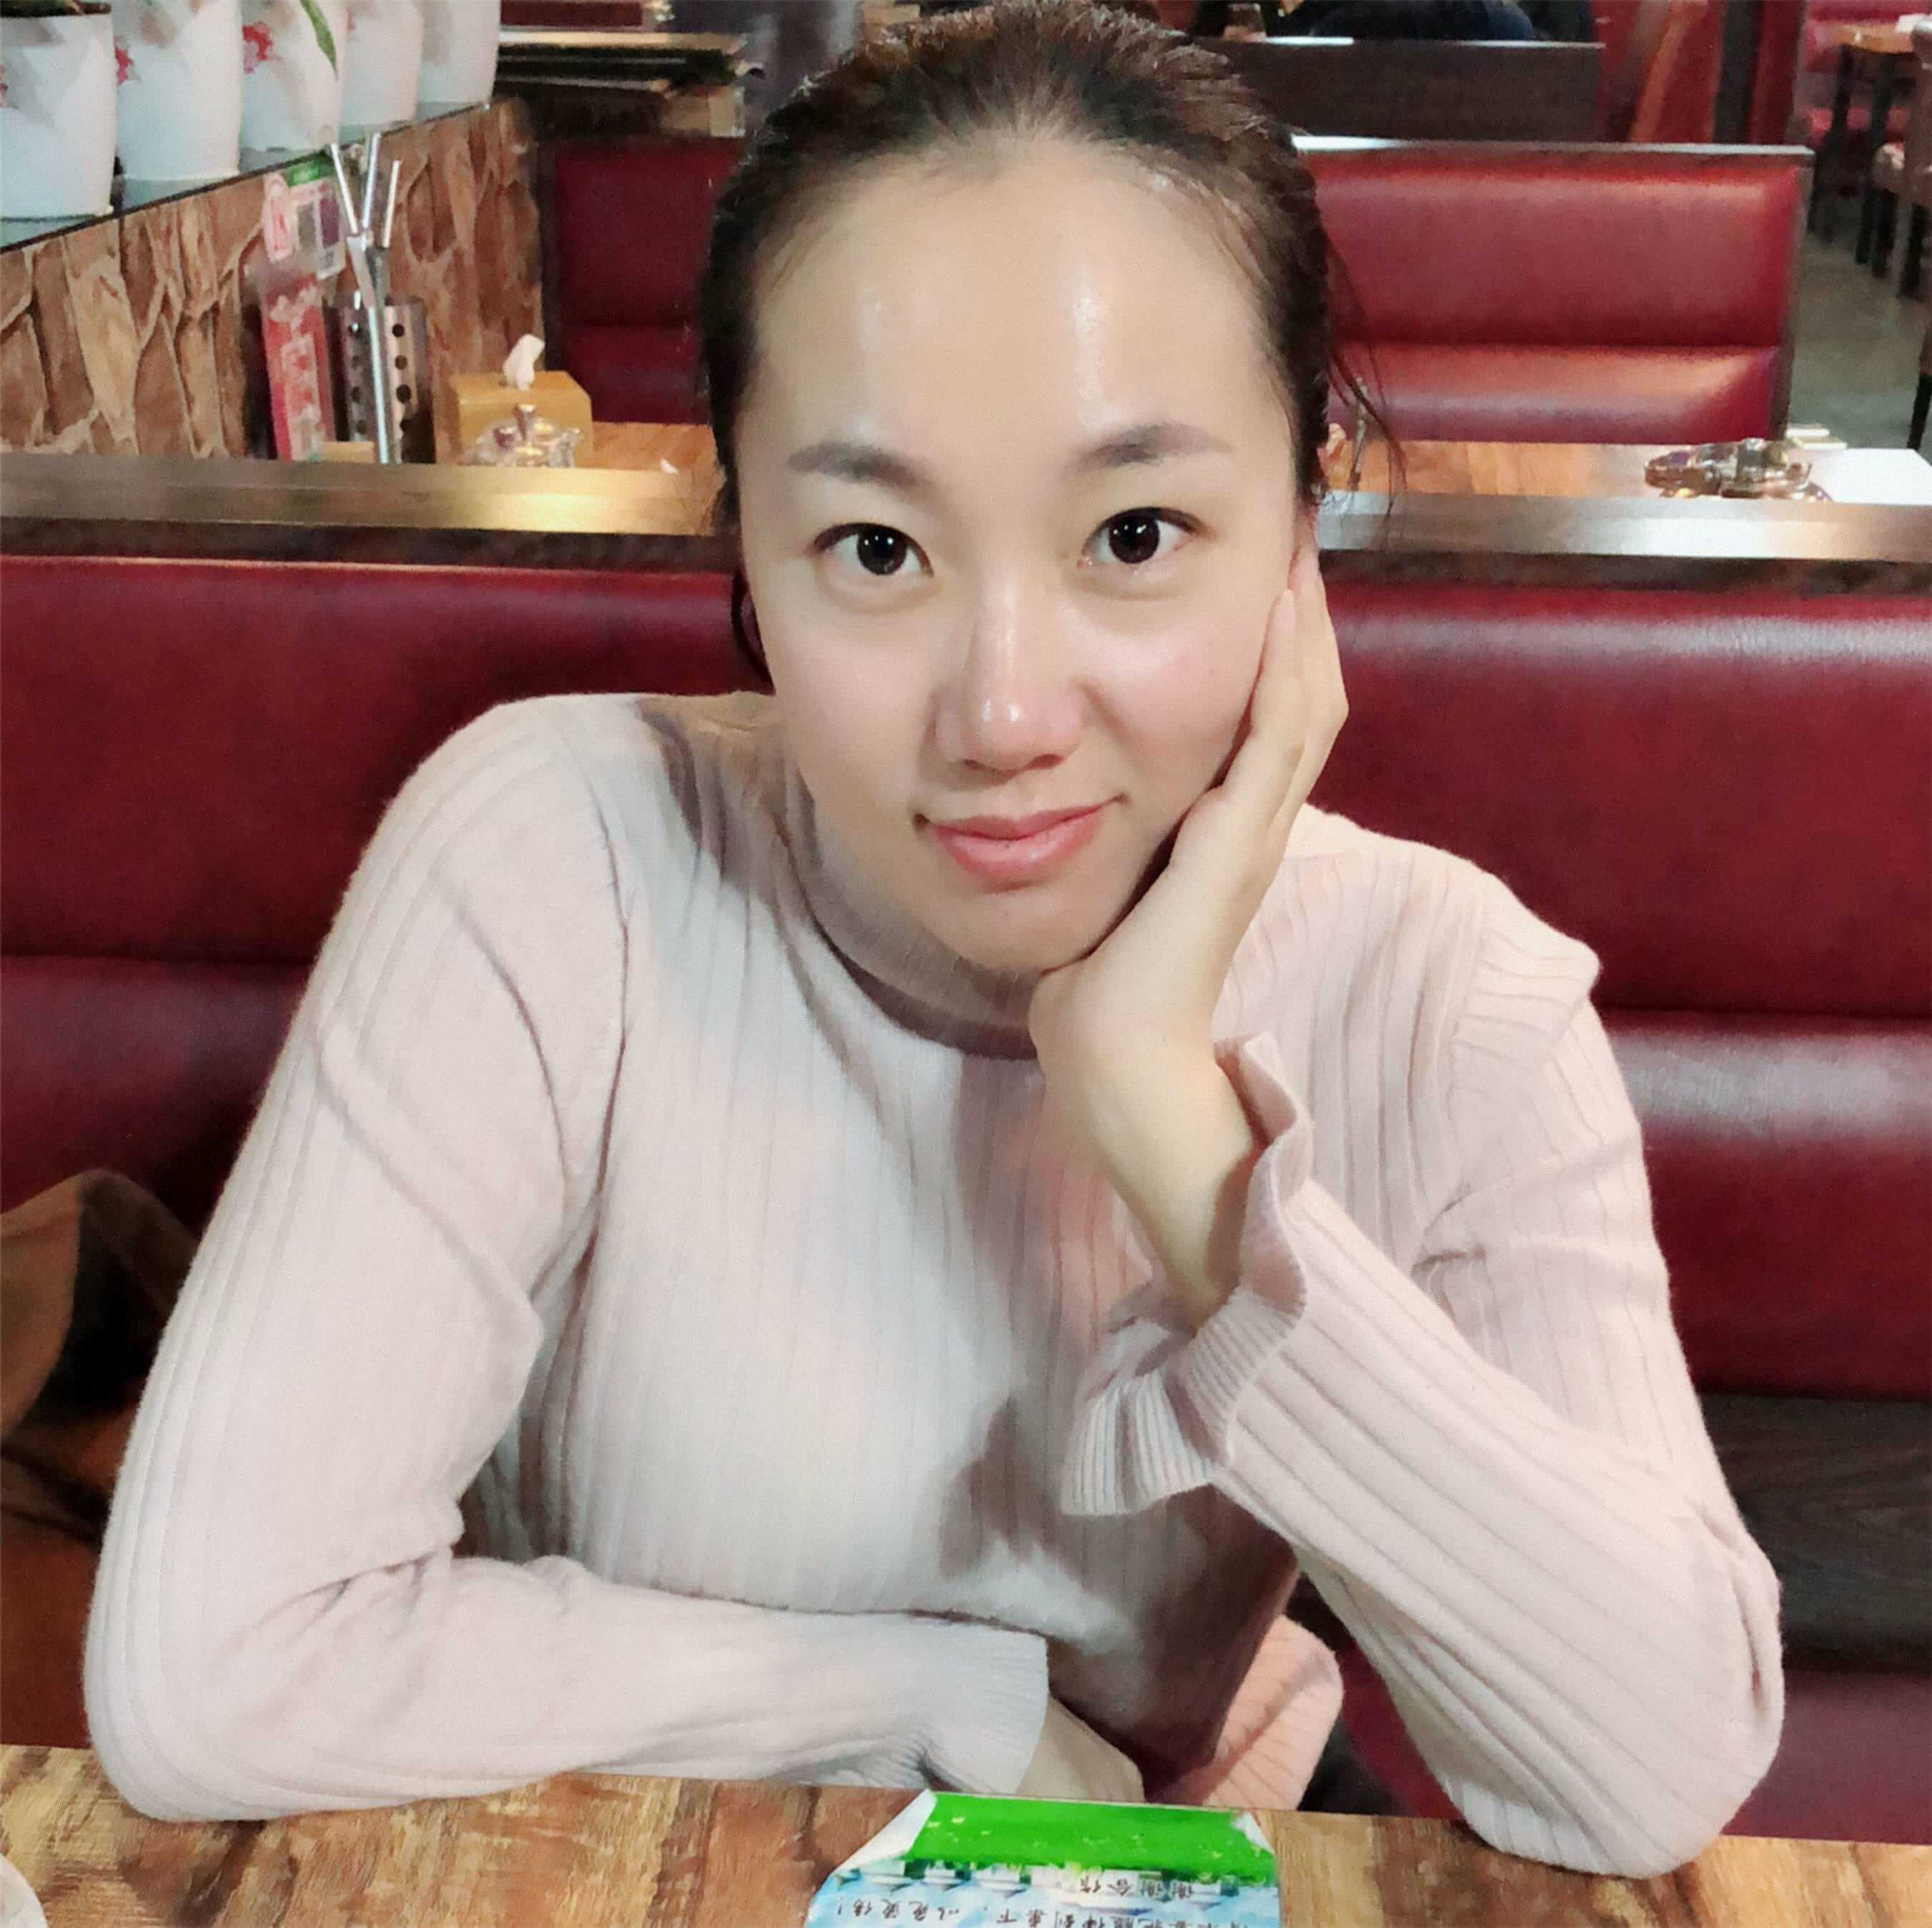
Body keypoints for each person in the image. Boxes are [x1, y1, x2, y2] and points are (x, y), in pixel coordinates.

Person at [83, 0, 1782, 1876]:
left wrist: (1164, 1115)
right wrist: (938, 1705)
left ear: (1303, 518)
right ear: (746, 543)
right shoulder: (560, 859)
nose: (1003, 716)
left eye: (1134, 534)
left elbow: (1647, 1771)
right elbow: (210, 1672)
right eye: (877, 550)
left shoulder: (1443, 997)